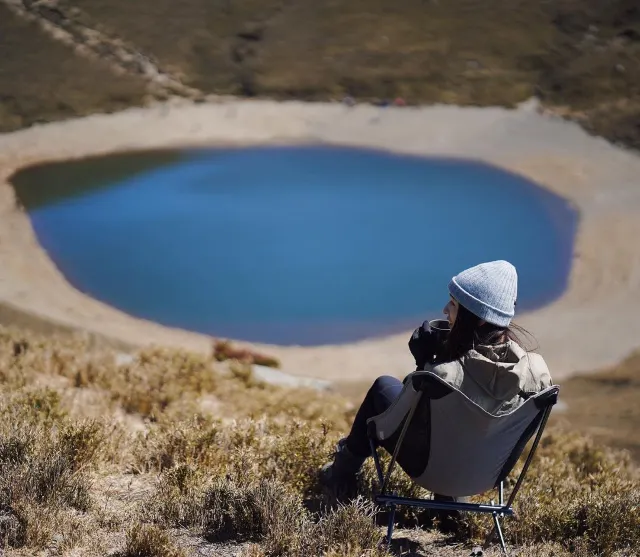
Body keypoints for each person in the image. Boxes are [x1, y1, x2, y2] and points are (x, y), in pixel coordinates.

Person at [319, 260, 552, 500]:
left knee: (383, 387)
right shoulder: (535, 376)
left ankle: (342, 474)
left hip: (429, 472)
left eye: (453, 304)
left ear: (479, 318)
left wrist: (424, 364)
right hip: (486, 478)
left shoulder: (443, 376)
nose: (444, 310)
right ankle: (453, 506)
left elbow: (405, 416)